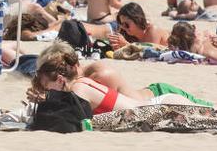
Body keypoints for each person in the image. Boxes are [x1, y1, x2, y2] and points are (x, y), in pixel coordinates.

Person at [33, 48, 203, 114]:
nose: (49, 92)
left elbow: (80, 110)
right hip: (154, 99)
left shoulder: (97, 77)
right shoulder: (79, 84)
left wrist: (47, 101)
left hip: (161, 95)